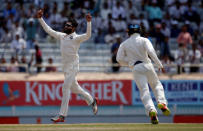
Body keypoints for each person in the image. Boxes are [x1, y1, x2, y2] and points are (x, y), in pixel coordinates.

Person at [37, 9, 98, 123]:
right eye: (66, 25)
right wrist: (40, 19)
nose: (66, 26)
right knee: (75, 89)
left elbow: (88, 35)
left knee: (65, 88)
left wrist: (89, 22)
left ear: (74, 28)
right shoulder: (62, 36)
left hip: (73, 66)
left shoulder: (76, 38)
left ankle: (62, 115)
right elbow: (48, 30)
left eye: (69, 26)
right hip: (65, 67)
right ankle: (92, 100)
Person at [116, 24, 170, 124]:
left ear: (129, 32)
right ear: (139, 31)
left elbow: (119, 59)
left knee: (144, 91)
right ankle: (162, 102)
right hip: (148, 65)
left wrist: (130, 64)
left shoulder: (124, 44)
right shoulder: (145, 40)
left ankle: (151, 110)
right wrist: (160, 65)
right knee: (156, 85)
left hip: (136, 68)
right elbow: (151, 52)